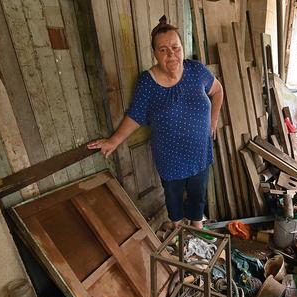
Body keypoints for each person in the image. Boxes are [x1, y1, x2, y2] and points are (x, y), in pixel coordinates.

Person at [87, 16, 224, 230]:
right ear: (155, 54)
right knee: (174, 199)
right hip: (171, 156)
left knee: (198, 195)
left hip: (199, 150)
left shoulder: (197, 71)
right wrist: (113, 141)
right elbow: (136, 115)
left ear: (182, 47)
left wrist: (212, 122)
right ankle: (179, 232)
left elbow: (217, 91)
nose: (171, 54)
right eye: (163, 50)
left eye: (175, 47)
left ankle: (197, 229)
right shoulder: (147, 83)